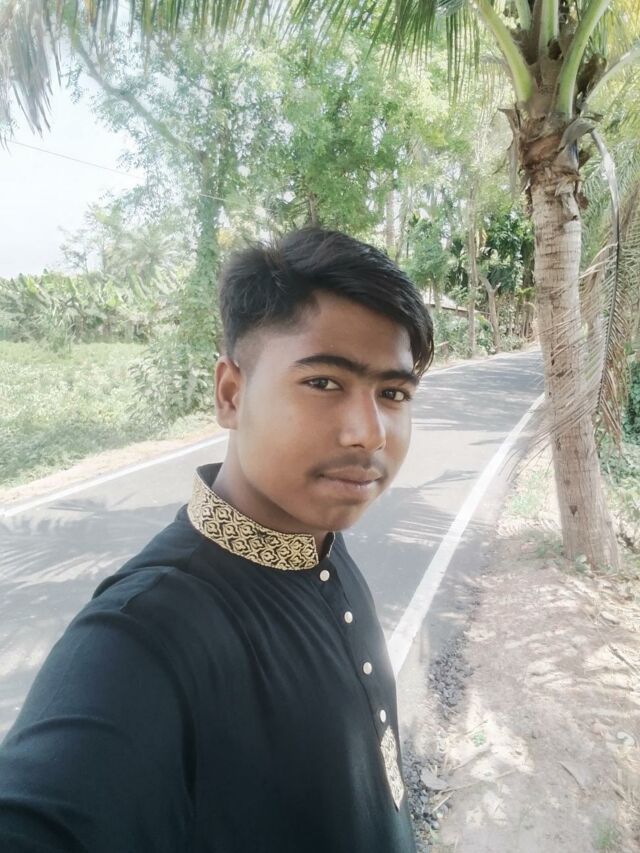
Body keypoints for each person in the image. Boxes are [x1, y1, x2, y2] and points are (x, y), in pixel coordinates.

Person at [0, 227, 433, 852]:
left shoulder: (318, 544)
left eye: (392, 394)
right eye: (324, 382)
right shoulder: (143, 636)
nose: (369, 433)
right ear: (231, 393)